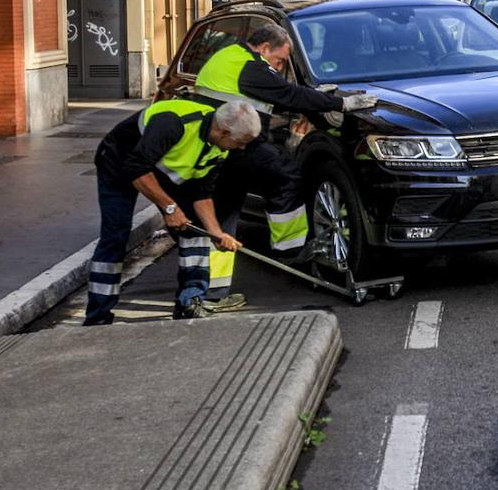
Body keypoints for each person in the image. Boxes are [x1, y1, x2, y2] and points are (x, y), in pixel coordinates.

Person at [195, 23, 380, 300]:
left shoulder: (229, 57)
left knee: (225, 215)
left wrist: (318, 97)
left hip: (217, 145)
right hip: (235, 142)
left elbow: (273, 96)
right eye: (280, 60)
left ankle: (213, 291)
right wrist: (341, 104)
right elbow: (288, 94)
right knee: (287, 174)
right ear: (265, 48)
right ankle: (290, 249)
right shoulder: (250, 65)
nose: (280, 67)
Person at [85, 99, 260, 325]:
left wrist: (216, 232)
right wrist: (170, 207)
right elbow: (136, 168)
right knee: (115, 236)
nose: (242, 147)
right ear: (223, 131)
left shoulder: (219, 148)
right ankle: (98, 316)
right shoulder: (173, 123)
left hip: (159, 170)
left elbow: (202, 193)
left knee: (196, 233)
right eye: (241, 141)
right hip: (119, 163)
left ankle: (189, 303)